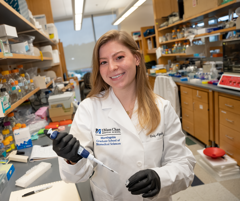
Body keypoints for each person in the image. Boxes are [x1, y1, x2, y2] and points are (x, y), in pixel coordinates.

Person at [52, 30, 196, 201]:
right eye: (103, 62)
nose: (112, 67)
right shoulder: (88, 109)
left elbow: (183, 165)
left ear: (136, 58)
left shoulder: (162, 108)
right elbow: (75, 177)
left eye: (119, 57)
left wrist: (160, 178)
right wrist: (72, 159)